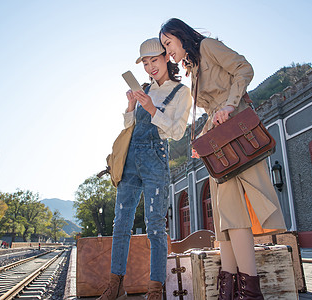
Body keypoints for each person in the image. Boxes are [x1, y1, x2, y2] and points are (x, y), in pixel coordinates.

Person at [160, 19, 286, 300]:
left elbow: (244, 68)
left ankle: (250, 290)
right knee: (226, 215)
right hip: (219, 143)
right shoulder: (192, 71)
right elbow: (210, 110)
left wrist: (230, 104)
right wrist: (202, 138)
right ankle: (230, 289)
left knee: (237, 211)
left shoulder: (208, 46)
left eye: (168, 43)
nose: (168, 51)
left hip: (238, 132)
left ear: (180, 36)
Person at [99, 37, 191, 300]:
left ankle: (155, 290)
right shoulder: (144, 90)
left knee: (155, 227)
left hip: (155, 160)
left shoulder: (180, 92)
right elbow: (130, 127)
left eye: (155, 60)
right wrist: (131, 107)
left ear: (166, 58)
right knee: (120, 224)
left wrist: (152, 109)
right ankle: (115, 286)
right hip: (130, 161)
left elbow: (176, 132)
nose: (151, 67)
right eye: (146, 63)